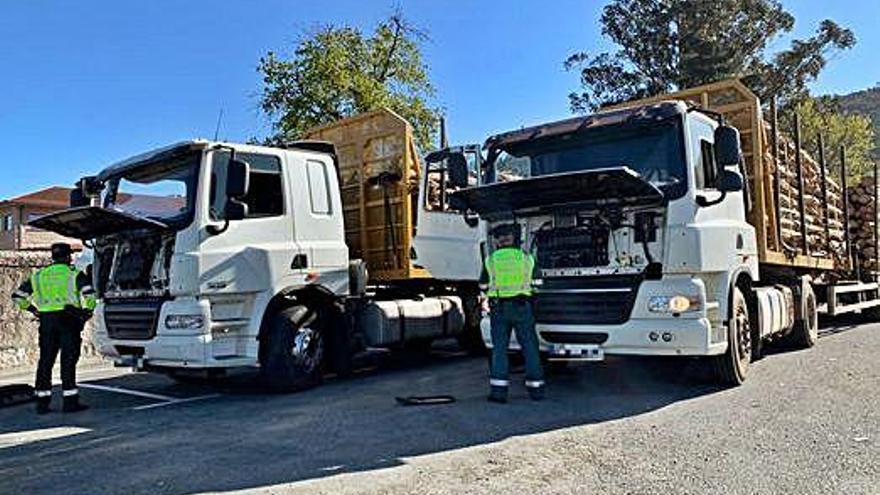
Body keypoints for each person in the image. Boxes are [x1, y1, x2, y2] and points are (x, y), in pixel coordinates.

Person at [11, 243, 96, 414]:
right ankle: (70, 402)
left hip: (47, 321)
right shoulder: (74, 275)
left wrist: (34, 310)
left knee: (45, 362)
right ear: (68, 257)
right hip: (68, 320)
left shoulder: (39, 276)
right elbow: (90, 295)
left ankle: (42, 404)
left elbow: (18, 297)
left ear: (53, 257)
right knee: (68, 361)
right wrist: (87, 311)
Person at [481, 223, 544, 403]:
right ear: (514, 239)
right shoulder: (527, 258)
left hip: (499, 309)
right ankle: (536, 391)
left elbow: (483, 286)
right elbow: (538, 284)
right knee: (530, 348)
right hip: (522, 307)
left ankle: (499, 393)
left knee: (499, 350)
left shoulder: (491, 260)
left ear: (498, 240)